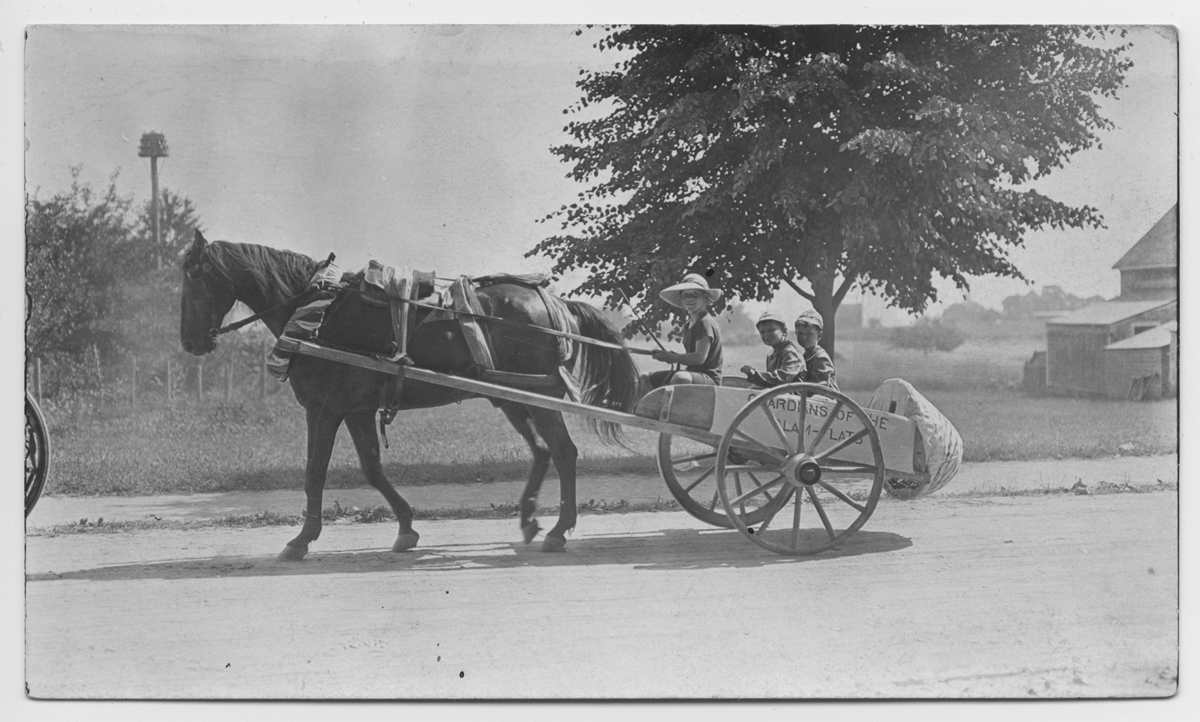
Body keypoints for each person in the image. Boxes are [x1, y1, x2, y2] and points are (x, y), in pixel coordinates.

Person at [642, 273, 724, 390]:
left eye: (695, 295)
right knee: (645, 378)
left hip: (709, 379)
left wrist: (671, 357)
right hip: (692, 374)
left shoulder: (705, 323)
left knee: (681, 378)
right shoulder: (688, 325)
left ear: (705, 297)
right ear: (681, 298)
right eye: (686, 295)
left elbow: (699, 358)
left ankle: (669, 408)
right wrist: (670, 355)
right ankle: (635, 409)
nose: (689, 299)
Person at [740, 310, 804, 388]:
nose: (766, 334)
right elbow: (770, 383)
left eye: (771, 330)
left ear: (784, 331)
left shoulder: (790, 352)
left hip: (795, 396)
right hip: (779, 396)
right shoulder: (771, 354)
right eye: (762, 332)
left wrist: (755, 375)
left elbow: (782, 378)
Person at [792, 309, 838, 391]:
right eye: (800, 333)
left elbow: (817, 388)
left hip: (823, 401)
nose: (803, 337)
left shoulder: (820, 358)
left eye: (809, 334)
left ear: (819, 336)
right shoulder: (806, 355)